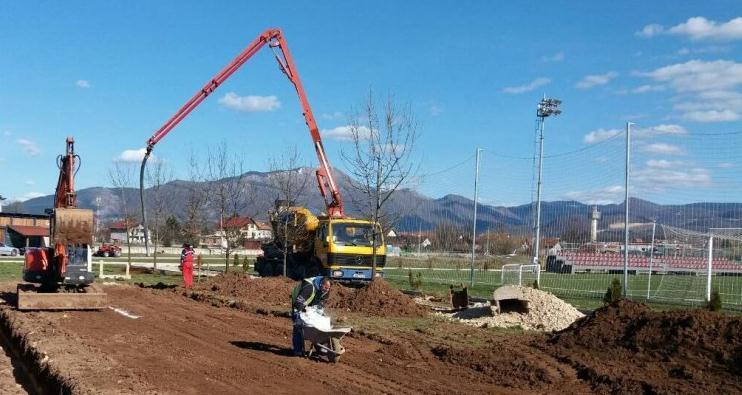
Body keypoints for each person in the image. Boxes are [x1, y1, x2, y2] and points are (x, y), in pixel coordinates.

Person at [290, 276, 331, 356]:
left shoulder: (326, 290)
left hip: (310, 302)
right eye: (325, 287)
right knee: (298, 324)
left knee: (319, 324)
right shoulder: (309, 288)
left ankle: (320, 347)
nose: (327, 290)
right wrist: (305, 309)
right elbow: (298, 303)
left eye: (328, 288)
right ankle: (298, 350)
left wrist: (318, 311)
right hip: (298, 302)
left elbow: (321, 304)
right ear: (320, 285)